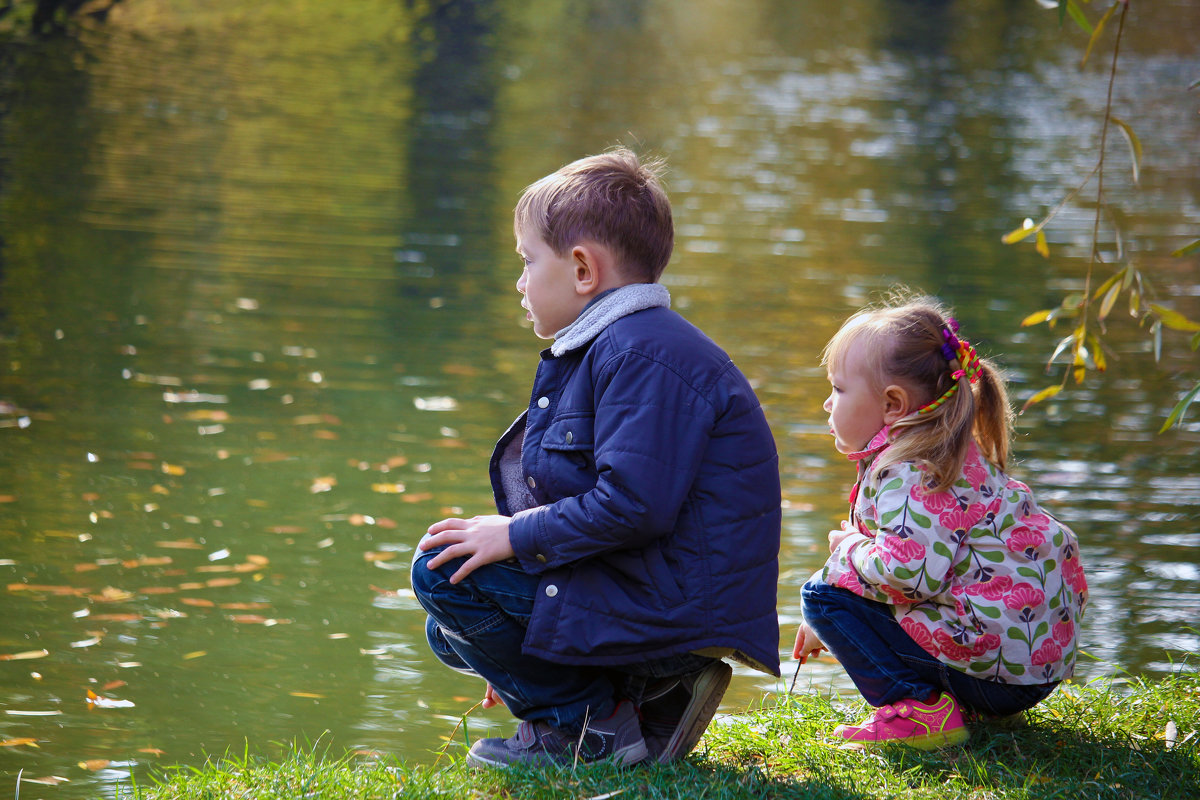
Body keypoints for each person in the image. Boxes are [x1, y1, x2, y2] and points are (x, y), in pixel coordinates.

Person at [410, 148, 781, 769]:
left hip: (673, 607)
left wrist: (515, 535)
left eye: (529, 261)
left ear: (583, 269)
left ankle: (587, 728)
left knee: (442, 577)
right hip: (656, 591)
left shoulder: (641, 356)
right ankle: (648, 699)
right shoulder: (620, 345)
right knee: (450, 623)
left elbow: (634, 505)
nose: (520, 281)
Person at [793, 293, 1088, 749]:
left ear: (892, 404)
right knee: (840, 587)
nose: (827, 405)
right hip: (1030, 665)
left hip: (1001, 675)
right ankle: (952, 699)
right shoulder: (948, 451)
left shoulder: (908, 471)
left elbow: (908, 574)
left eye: (838, 388)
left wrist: (845, 550)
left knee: (820, 594)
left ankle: (920, 710)